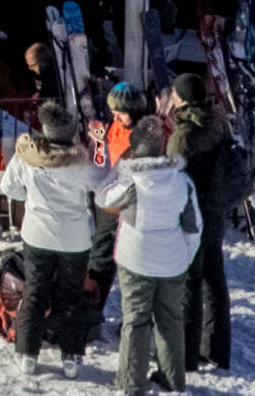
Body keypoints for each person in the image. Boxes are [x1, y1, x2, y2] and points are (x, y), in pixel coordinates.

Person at [99, 118, 201, 396]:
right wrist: (183, 258)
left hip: (136, 260)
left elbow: (103, 199)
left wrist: (119, 169)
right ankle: (173, 381)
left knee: (136, 320)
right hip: (173, 261)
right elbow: (194, 227)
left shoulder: (132, 183)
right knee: (170, 321)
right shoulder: (182, 181)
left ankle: (131, 383)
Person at [1, 104, 101, 377]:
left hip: (37, 234)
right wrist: (99, 145)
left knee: (34, 292)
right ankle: (70, 357)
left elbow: (8, 187)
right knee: (70, 295)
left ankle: (27, 355)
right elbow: (101, 183)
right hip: (75, 239)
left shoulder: (27, 157)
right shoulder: (81, 162)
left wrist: (30, 198)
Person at [166, 71, 236, 372]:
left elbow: (172, 177)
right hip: (216, 209)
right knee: (214, 282)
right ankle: (218, 351)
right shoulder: (217, 121)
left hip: (191, 216)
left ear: (180, 98)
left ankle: (187, 355)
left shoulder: (184, 135)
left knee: (189, 286)